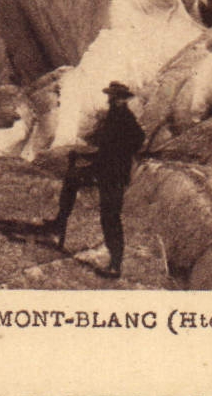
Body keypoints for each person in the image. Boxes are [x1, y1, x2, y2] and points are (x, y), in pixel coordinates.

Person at [42, 81, 146, 277]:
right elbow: (109, 148)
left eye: (115, 97)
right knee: (72, 179)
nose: (111, 100)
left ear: (122, 99)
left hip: (113, 175)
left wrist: (120, 156)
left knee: (110, 217)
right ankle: (59, 225)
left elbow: (138, 139)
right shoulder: (116, 117)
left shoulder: (124, 118)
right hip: (104, 169)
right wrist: (87, 158)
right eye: (112, 97)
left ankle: (115, 265)